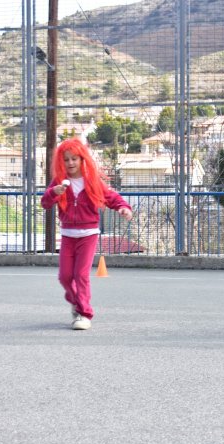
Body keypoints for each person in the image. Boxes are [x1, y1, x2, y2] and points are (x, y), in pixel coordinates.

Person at [41, 138, 133, 330]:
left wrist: (123, 208)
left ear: (82, 160)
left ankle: (84, 314)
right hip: (68, 235)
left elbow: (111, 197)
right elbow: (45, 203)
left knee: (81, 275)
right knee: (65, 277)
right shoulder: (59, 183)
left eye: (74, 159)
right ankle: (77, 302)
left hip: (88, 234)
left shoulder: (91, 181)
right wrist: (53, 192)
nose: (70, 163)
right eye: (66, 159)